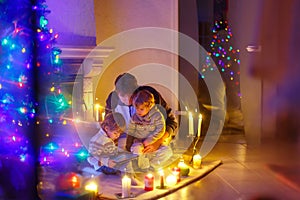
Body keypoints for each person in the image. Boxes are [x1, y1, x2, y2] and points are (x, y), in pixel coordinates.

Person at [105, 73, 178, 153]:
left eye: (131, 96)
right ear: (117, 93)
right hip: (127, 140)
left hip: (153, 138)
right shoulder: (112, 100)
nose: (128, 100)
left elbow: (172, 122)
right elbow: (109, 127)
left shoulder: (149, 96)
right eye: (123, 97)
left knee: (165, 153)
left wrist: (158, 142)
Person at [125, 89, 171, 170]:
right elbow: (131, 131)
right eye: (137, 108)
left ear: (150, 106)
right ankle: (143, 166)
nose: (138, 111)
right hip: (139, 143)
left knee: (167, 152)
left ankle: (152, 166)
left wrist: (150, 141)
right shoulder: (134, 117)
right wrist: (128, 146)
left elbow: (161, 130)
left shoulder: (157, 116)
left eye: (141, 109)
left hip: (154, 143)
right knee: (136, 150)